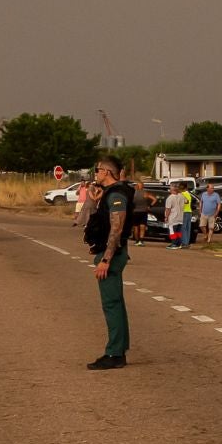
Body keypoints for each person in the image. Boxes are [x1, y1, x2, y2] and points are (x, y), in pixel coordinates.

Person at [85, 155, 135, 370]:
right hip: (111, 253)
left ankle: (114, 353)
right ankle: (119, 349)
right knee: (116, 303)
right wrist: (95, 200)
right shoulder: (110, 193)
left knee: (112, 304)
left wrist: (105, 259)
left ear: (106, 172)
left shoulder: (116, 195)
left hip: (112, 255)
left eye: (98, 170)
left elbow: (117, 228)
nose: (96, 173)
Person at [199, 180, 221, 244]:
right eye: (211, 188)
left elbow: (219, 204)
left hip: (212, 214)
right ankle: (205, 234)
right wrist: (200, 210)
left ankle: (209, 240)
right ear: (207, 188)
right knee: (202, 226)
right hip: (204, 213)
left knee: (211, 228)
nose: (212, 189)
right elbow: (201, 202)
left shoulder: (216, 195)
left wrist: (217, 212)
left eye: (213, 188)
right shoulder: (203, 194)